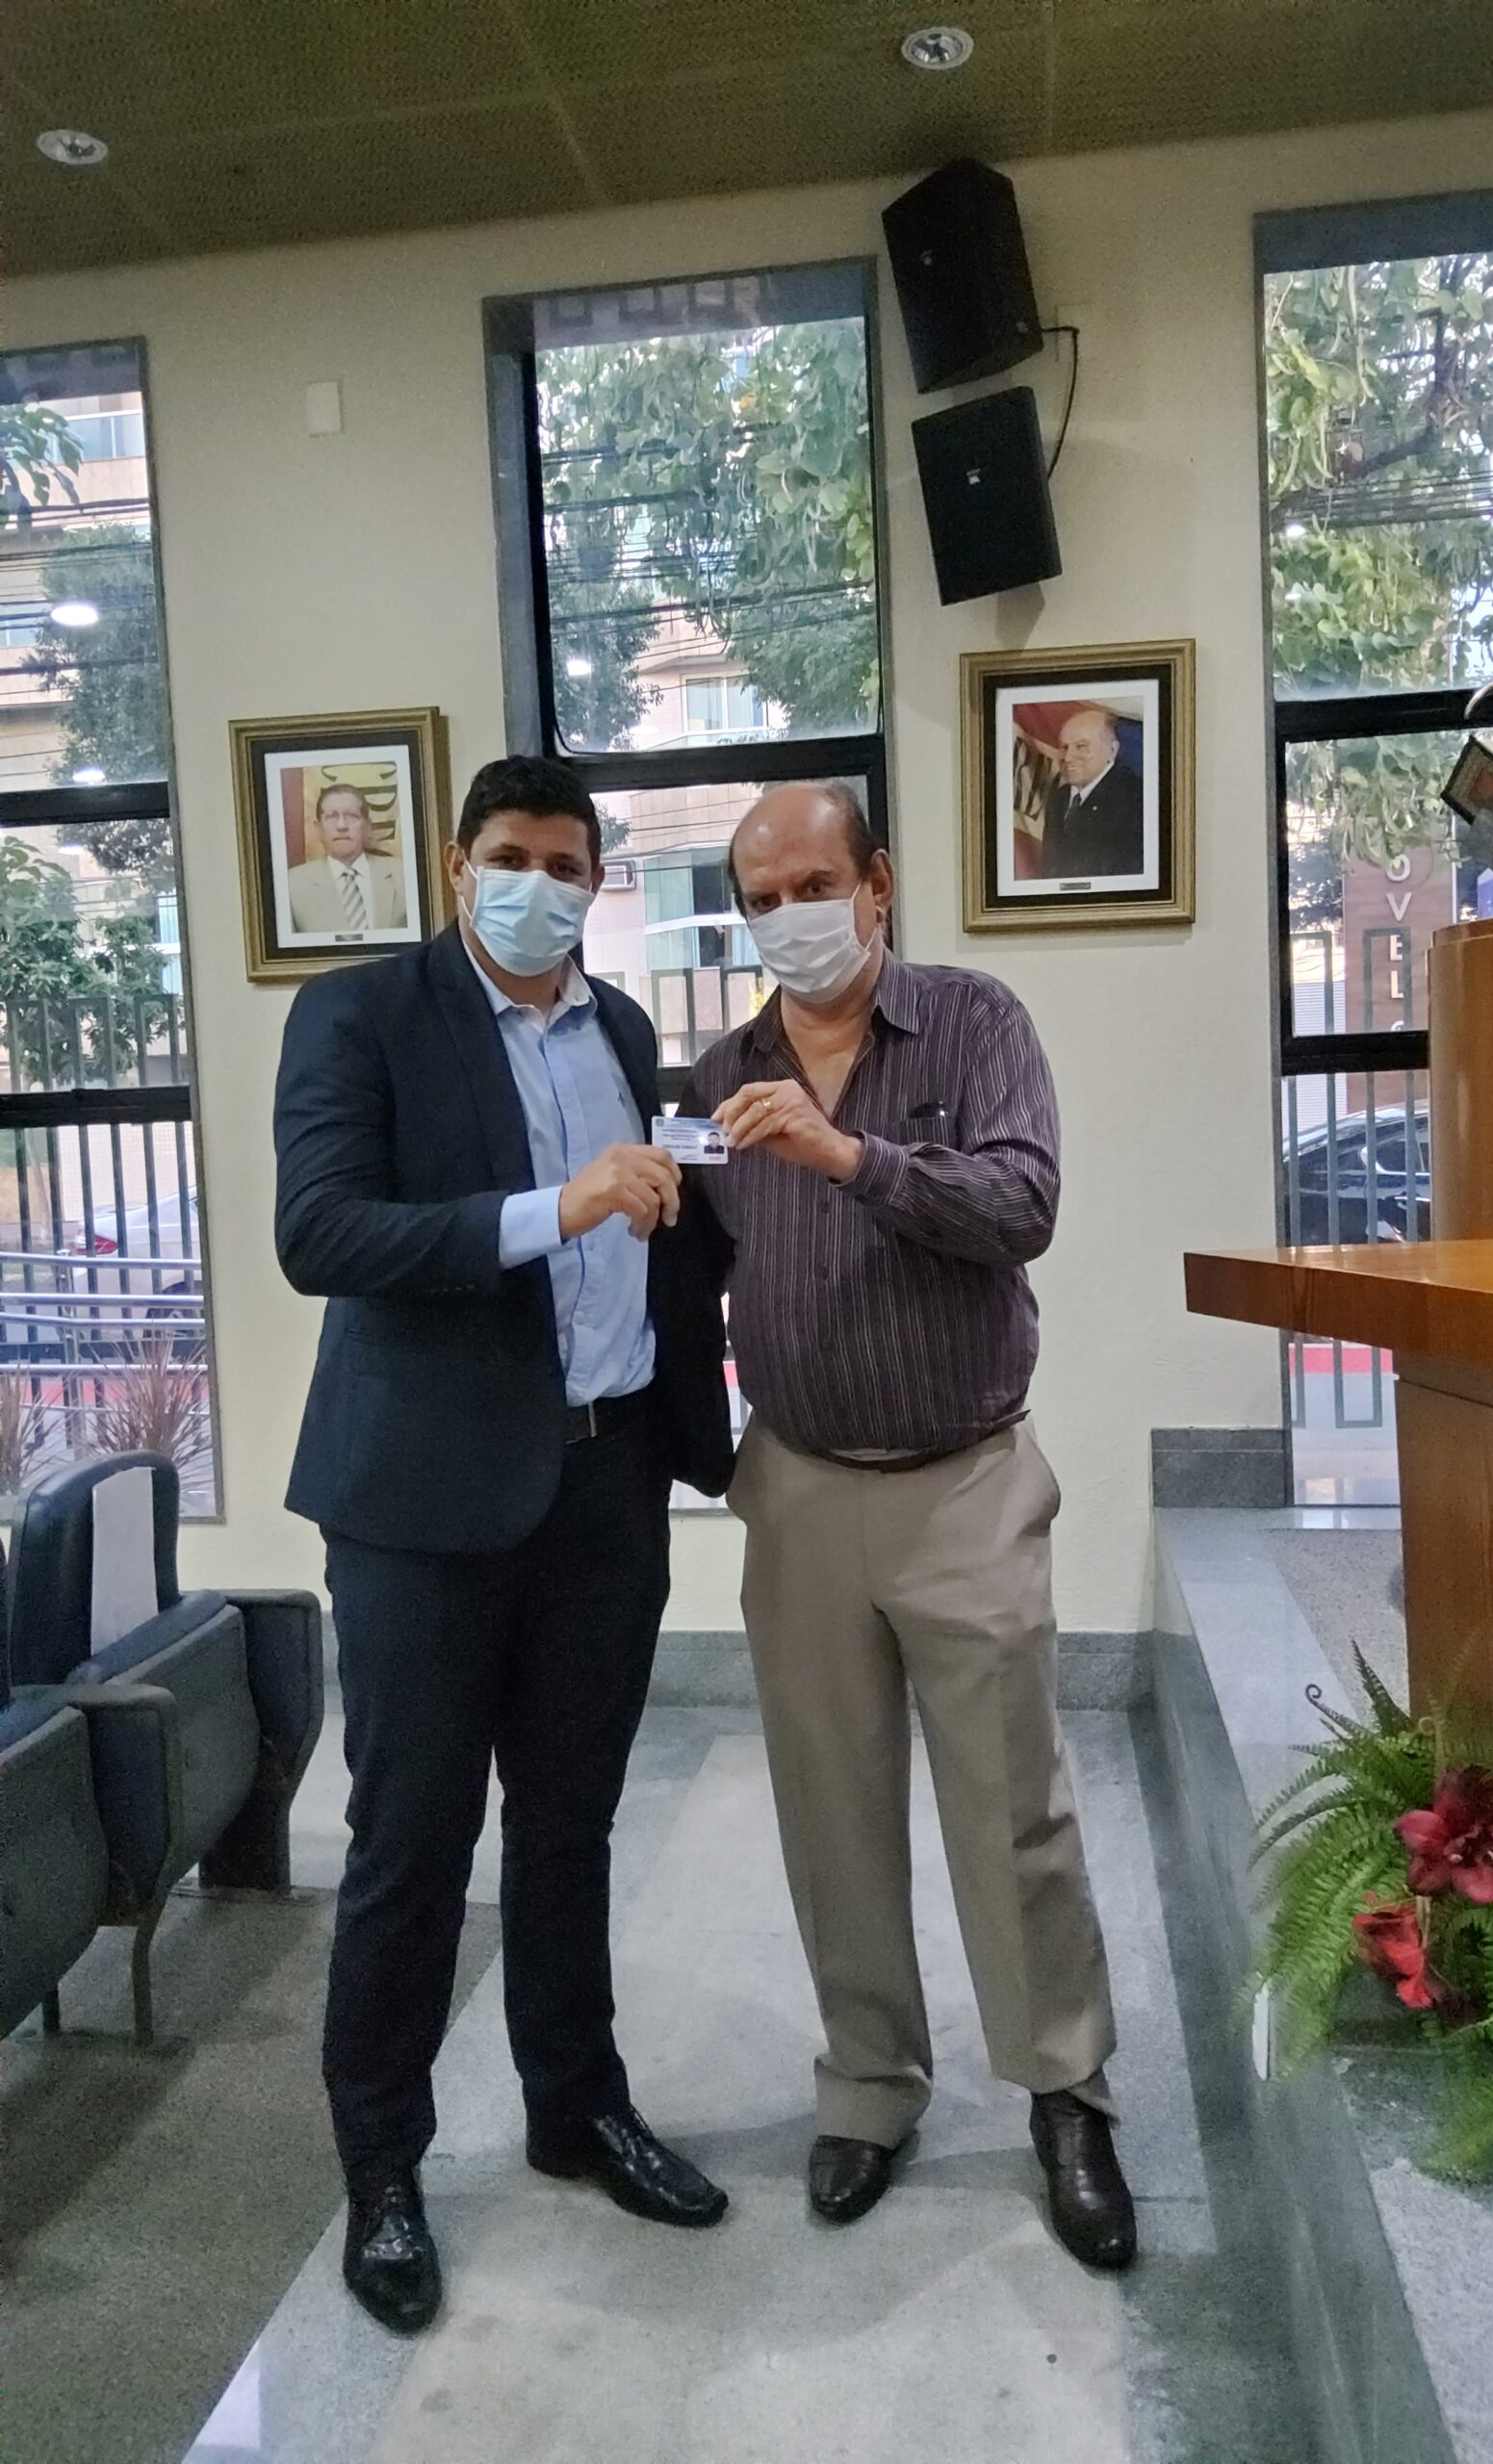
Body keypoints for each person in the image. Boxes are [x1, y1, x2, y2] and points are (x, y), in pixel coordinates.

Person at [274, 754, 734, 2334]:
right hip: (421, 1509)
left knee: (570, 1825)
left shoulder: (622, 1031)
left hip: (605, 1485)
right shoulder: (362, 1016)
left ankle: (575, 2106)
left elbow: (661, 1229)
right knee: (411, 1845)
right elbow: (321, 1232)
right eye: (512, 855)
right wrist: (559, 1206)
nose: (540, 884)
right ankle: (383, 2171)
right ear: (459, 863)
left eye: (568, 862)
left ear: (598, 881)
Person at [680, 781, 1135, 2272]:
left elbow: (1022, 1204)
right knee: (831, 1808)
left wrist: (847, 1156)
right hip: (799, 1483)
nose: (791, 917)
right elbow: (697, 1273)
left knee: (1013, 1804)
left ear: (877, 885)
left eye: (816, 884)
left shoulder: (973, 1023)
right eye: (761, 899)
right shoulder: (721, 1072)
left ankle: (1066, 2092)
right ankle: (870, 2085)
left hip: (961, 1480)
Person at [286, 782, 409, 933]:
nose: (342, 826)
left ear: (367, 826)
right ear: (318, 828)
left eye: (352, 816)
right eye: (331, 817)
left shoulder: (403, 875)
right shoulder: (293, 885)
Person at [1038, 707, 1145, 881]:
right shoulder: (1059, 797)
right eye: (1064, 747)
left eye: (1081, 746)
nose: (1068, 757)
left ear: (1112, 750)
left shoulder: (1134, 798)